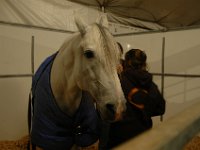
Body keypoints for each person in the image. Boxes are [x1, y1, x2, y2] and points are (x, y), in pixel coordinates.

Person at [107, 48, 166, 149]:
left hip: (119, 136)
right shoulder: (149, 83)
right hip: (142, 135)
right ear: (144, 64)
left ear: (126, 62)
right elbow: (161, 108)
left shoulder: (118, 82)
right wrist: (144, 111)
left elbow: (107, 108)